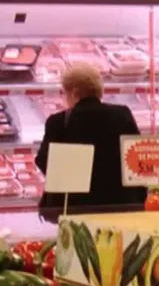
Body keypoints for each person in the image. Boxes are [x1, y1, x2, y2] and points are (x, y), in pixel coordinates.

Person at [35, 63, 147, 221]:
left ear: (73, 93)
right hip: (121, 203)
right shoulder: (122, 114)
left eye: (64, 93)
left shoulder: (58, 121)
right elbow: (136, 157)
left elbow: (44, 161)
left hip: (75, 207)